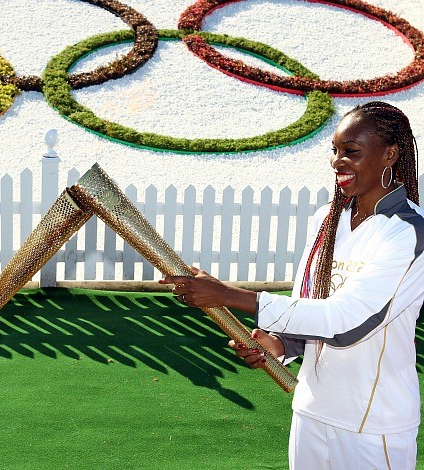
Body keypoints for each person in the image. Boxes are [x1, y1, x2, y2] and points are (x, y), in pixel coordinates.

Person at [161, 101, 423, 469]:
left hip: (374, 424)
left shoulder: (410, 232)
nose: (337, 161)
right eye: (334, 151)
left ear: (390, 155)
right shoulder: (325, 220)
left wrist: (227, 296)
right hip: (311, 410)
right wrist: (277, 344)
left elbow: (348, 323)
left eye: (351, 151)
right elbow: (309, 304)